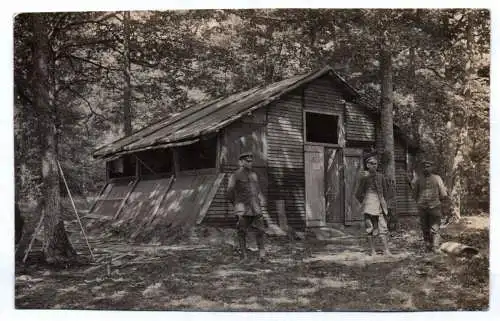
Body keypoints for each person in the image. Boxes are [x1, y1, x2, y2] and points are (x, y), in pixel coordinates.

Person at [226, 152, 266, 262]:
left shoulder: (254, 175)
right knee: (242, 232)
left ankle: (262, 255)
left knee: (261, 230)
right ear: (241, 162)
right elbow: (229, 192)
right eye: (247, 161)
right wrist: (237, 204)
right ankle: (244, 256)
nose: (250, 163)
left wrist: (261, 198)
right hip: (242, 210)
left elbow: (257, 190)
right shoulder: (235, 175)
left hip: (256, 208)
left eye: (251, 161)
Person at [355, 152, 394, 256]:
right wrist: (365, 202)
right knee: (370, 228)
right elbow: (358, 194)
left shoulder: (381, 177)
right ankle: (372, 251)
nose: (374, 165)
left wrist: (385, 204)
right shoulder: (364, 178)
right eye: (372, 163)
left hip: (380, 207)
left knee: (383, 228)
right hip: (368, 207)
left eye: (376, 164)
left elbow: (385, 192)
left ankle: (386, 250)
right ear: (367, 165)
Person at [413, 160, 449, 253]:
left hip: (435, 206)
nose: (426, 168)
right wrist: (420, 203)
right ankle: (427, 246)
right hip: (422, 207)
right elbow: (414, 194)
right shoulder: (418, 180)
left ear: (432, 168)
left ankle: (435, 246)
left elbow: (443, 193)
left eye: (428, 166)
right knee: (424, 227)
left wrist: (441, 204)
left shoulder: (437, 178)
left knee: (435, 227)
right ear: (422, 168)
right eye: (424, 167)